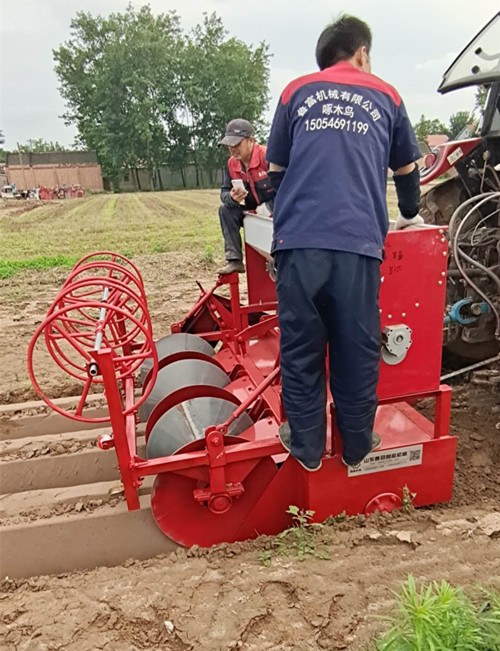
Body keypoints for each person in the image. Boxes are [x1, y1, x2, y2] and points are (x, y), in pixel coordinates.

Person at [266, 15, 424, 471]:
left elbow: (275, 173)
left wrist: (290, 218)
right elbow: (406, 170)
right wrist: (409, 213)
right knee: (356, 346)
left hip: (298, 244)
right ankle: (356, 445)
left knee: (301, 347)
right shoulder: (388, 95)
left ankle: (306, 448)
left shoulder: (295, 92)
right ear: (362, 53)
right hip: (358, 246)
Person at [217, 119, 276, 275]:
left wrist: (270, 207)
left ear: (251, 141)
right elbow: (224, 192)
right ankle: (234, 260)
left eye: (237, 144)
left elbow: (288, 189)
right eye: (230, 145)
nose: (233, 149)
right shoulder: (232, 164)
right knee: (225, 210)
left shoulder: (268, 157)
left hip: (278, 212)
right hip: (253, 213)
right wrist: (231, 198)